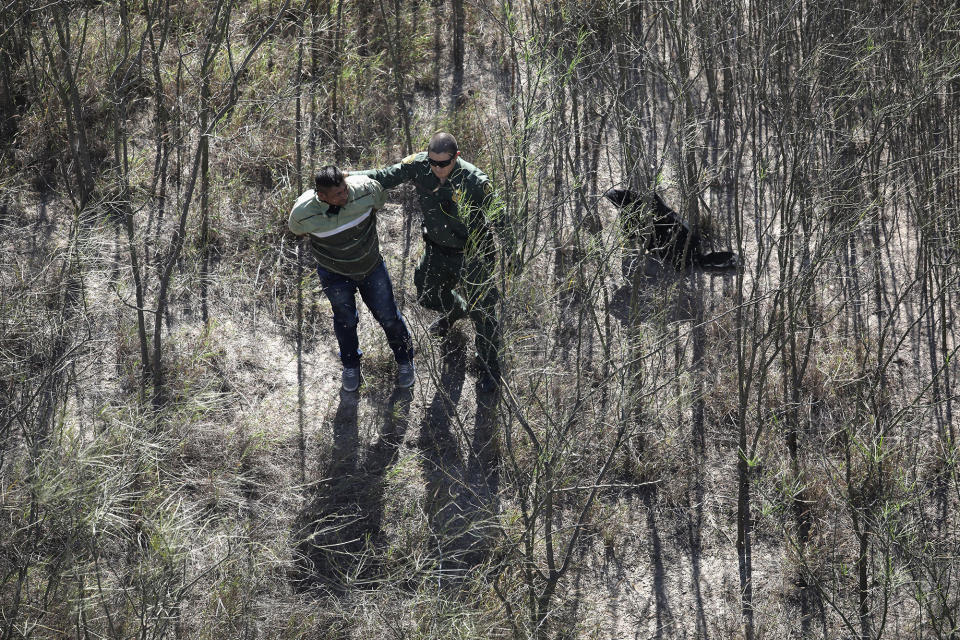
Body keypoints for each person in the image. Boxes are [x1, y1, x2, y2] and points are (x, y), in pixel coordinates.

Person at [354, 132, 514, 393]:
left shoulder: (474, 180)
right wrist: (346, 176)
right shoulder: (418, 166)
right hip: (438, 249)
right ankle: (454, 311)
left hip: (473, 253)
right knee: (428, 293)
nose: (437, 168)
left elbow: (500, 217)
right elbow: (383, 176)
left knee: (483, 311)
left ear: (456, 157)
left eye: (444, 163)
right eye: (433, 162)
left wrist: (513, 252)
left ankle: (488, 366)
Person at [289, 166, 415, 392]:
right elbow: (297, 230)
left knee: (389, 317)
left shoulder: (366, 190)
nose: (345, 195)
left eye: (345, 189)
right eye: (338, 194)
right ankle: (350, 365)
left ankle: (405, 360)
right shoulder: (303, 214)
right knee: (345, 321)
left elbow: (378, 202)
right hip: (334, 274)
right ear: (322, 196)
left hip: (371, 267)